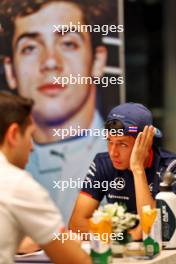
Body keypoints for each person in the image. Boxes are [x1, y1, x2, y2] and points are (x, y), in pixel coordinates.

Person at [0, 0, 117, 224]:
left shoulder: (128, 160)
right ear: (10, 70)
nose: (50, 62)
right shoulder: (5, 169)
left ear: (98, 61)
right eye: (30, 48)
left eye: (68, 43)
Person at [0, 91, 92, 264]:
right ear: (13, 135)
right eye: (30, 135)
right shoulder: (17, 184)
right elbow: (77, 261)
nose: (32, 148)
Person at [69, 102, 176, 240]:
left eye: (122, 144)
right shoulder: (103, 163)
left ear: (146, 142)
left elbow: (155, 231)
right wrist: (127, 236)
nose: (113, 153)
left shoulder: (170, 168)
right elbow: (76, 225)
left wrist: (137, 170)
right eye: (110, 141)